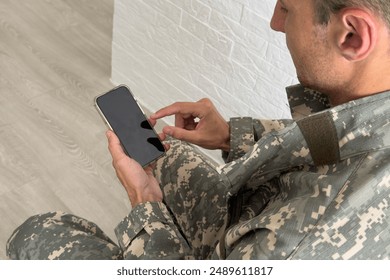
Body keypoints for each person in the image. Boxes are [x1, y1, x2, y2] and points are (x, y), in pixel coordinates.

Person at [6, 0, 390, 259]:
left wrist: (144, 203)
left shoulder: (302, 244)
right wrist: (232, 135)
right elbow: (332, 141)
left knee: (37, 231)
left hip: (245, 249)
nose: (275, 22)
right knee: (167, 154)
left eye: (287, 8)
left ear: (352, 34)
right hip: (249, 219)